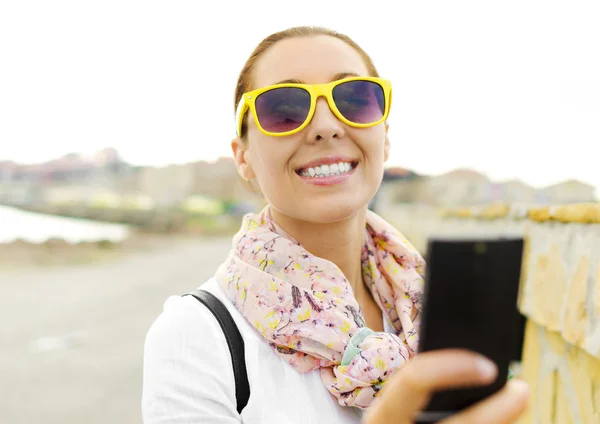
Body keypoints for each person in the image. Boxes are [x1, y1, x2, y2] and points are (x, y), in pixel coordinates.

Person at [141, 26, 529, 423]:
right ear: (243, 156)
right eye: (284, 109)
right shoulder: (194, 336)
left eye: (354, 100)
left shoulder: (440, 317)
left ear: (385, 137)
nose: (326, 126)